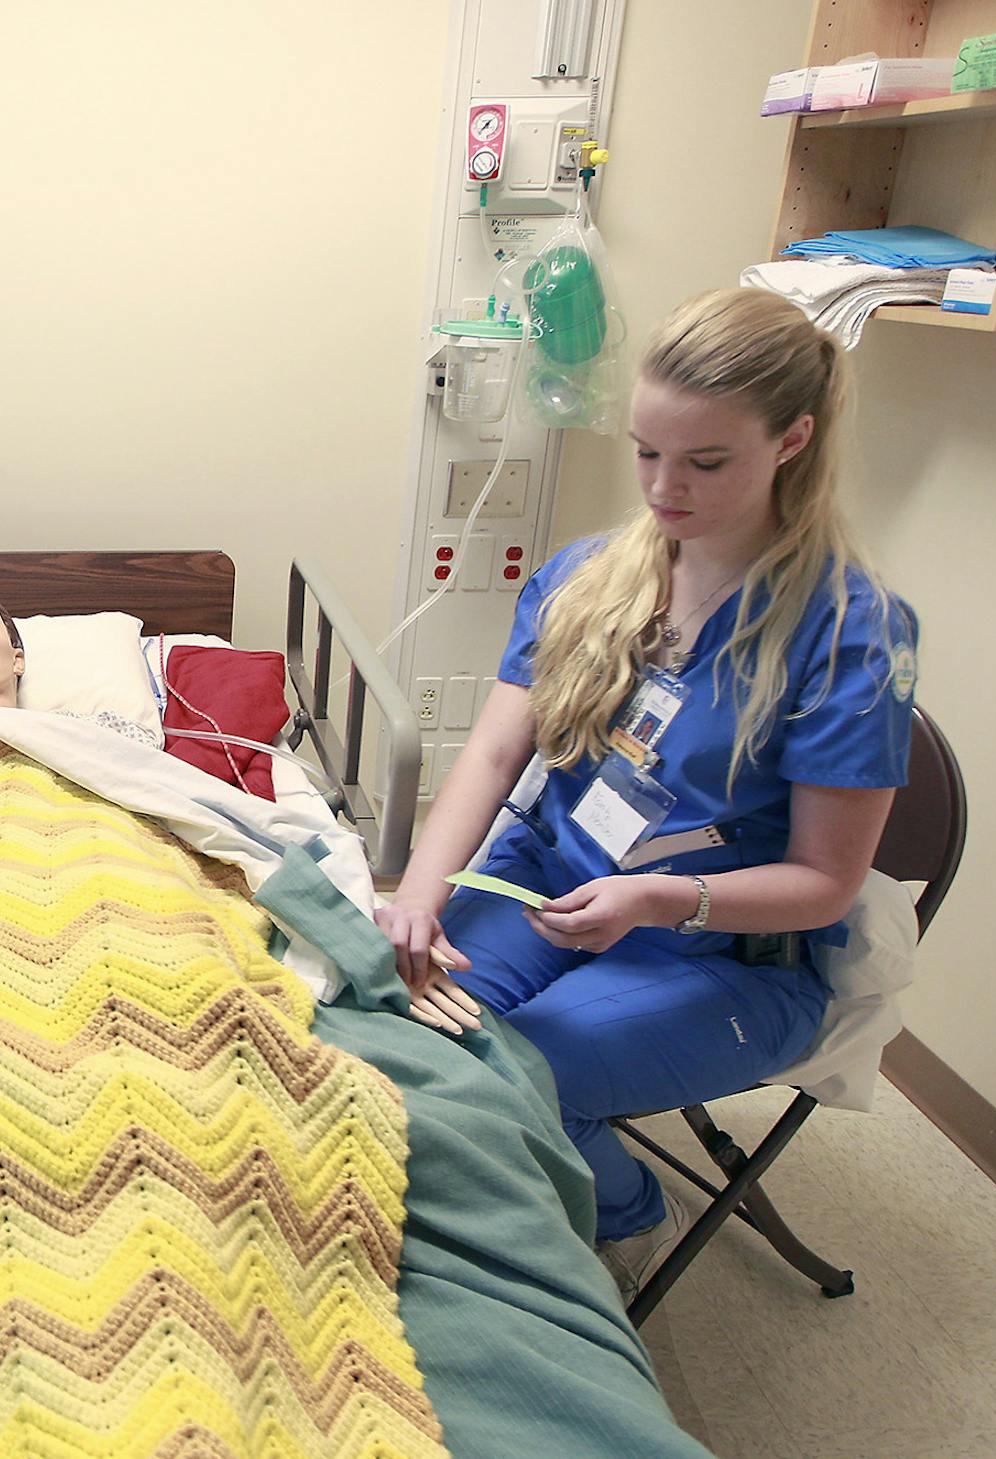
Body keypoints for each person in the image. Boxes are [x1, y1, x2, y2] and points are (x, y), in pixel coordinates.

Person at [374, 288, 919, 1301]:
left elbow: (825, 881)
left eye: (705, 462)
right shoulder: (591, 575)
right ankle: (506, 1193)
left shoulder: (848, 628)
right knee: (402, 1019)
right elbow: (494, 759)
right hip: (553, 879)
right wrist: (418, 891)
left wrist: (666, 898)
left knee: (518, 1071)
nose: (665, 489)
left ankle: (624, 1213)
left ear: (793, 440)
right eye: (646, 453)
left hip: (725, 949)